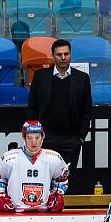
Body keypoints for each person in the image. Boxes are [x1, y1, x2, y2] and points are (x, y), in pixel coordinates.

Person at [26, 39, 92, 168]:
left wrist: (80, 138)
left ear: (70, 55)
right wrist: (35, 135)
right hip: (45, 139)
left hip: (71, 140)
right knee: (44, 178)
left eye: (66, 54)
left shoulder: (82, 78)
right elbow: (32, 107)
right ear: (53, 56)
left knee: (68, 180)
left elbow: (87, 110)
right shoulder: (40, 77)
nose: (63, 58)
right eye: (59, 54)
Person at [0, 121, 70, 213]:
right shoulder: (9, 157)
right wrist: (0, 196)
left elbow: (61, 180)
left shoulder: (54, 158)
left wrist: (57, 194)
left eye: (37, 137)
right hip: (14, 213)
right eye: (29, 138)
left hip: (45, 214)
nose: (34, 142)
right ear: (24, 138)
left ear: (42, 138)